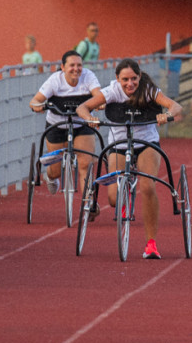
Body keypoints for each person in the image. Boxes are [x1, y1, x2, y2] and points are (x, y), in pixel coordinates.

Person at [76, 59, 182, 260]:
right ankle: (126, 193)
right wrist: (89, 118)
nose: (130, 84)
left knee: (148, 186)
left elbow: (175, 106)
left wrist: (167, 114)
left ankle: (151, 244)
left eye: (134, 78)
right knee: (114, 199)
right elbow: (82, 108)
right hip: (119, 145)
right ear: (117, 79)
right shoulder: (111, 92)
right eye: (125, 79)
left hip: (146, 144)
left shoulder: (149, 90)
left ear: (139, 77)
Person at [27, 50, 102, 207]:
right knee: (55, 170)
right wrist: (38, 106)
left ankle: (88, 204)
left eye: (79, 65)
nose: (76, 69)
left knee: (85, 163)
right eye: (72, 65)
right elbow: (35, 100)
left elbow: (99, 96)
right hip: (57, 125)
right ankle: (51, 177)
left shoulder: (88, 76)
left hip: (82, 125)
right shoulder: (54, 81)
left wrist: (101, 104)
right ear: (62, 67)